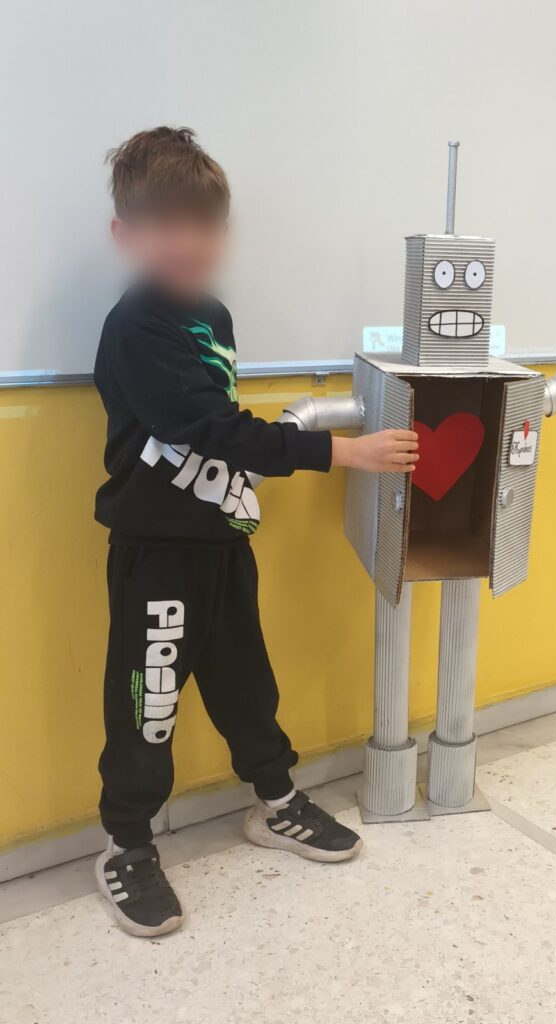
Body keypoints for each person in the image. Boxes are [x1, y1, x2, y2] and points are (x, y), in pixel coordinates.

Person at [92, 126, 418, 937]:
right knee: (149, 704)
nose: (189, 241)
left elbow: (221, 427)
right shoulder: (135, 327)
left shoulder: (213, 317)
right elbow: (209, 428)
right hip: (156, 553)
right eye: (167, 224)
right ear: (126, 235)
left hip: (222, 545)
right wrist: (342, 451)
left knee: (247, 687)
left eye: (204, 223)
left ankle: (275, 801)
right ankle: (126, 843)